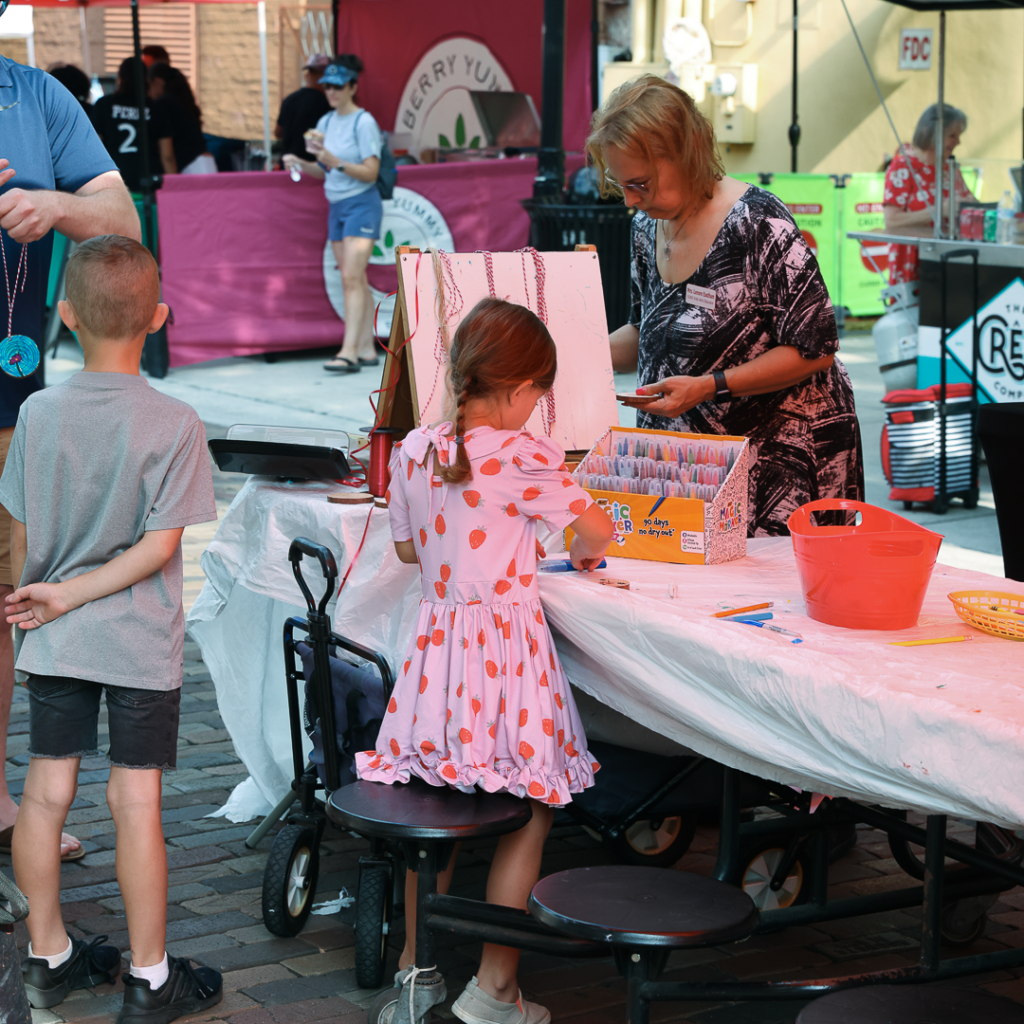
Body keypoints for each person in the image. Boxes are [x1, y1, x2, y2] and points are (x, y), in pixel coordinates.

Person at [356, 297, 613, 1024]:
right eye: (541, 393)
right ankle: (495, 989)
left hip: (435, 661)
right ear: (524, 386)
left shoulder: (414, 450)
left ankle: (416, 974)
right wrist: (583, 548)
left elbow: (409, 550)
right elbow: (593, 532)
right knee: (529, 811)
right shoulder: (524, 455)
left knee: (429, 812)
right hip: (506, 661)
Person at [0, 235, 222, 1021]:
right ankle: (151, 979)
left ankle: (49, 955)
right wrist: (76, 596)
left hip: (56, 636)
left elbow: (20, 535)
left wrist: (44, 598)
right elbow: (161, 548)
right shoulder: (175, 421)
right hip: (136, 641)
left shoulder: (37, 412)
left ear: (63, 314)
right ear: (158, 318)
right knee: (136, 805)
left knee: (44, 793)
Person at [587, 75, 863, 537]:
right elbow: (648, 332)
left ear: (685, 155)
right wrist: (571, 349)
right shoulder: (644, 228)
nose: (631, 199)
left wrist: (710, 386)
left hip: (780, 461)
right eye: (621, 184)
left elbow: (815, 348)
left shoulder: (759, 224)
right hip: (695, 464)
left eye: (641, 183)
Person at [0, 34, 140, 863]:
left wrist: (55, 208)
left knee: (8, 605)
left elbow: (118, 219)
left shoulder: (36, 98)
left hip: (10, 402)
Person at [281, 56, 383, 373]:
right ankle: (366, 347)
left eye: (338, 86)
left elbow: (371, 172)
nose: (332, 92)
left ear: (352, 87)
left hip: (362, 202)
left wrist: (334, 161)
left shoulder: (364, 122)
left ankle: (349, 351)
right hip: (337, 204)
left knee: (352, 277)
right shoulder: (325, 122)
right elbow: (323, 170)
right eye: (328, 86)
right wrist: (298, 161)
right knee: (354, 278)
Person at [883, 103, 974, 286]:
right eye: (952, 136)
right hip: (912, 262)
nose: (958, 142)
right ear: (931, 134)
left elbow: (970, 204)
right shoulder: (902, 167)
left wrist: (970, 205)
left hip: (948, 260)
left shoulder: (950, 168)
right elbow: (892, 221)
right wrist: (939, 211)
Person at [92, 57, 159, 193]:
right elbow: (167, 154)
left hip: (114, 176)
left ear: (120, 77)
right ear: (145, 79)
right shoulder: (155, 107)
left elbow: (95, 146)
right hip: (148, 178)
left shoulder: (104, 104)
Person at [148, 63, 215, 175]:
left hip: (189, 167)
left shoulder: (163, 104)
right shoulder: (182, 100)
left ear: (157, 81)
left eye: (148, 85)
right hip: (202, 162)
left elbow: (167, 152)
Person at [275, 53, 331, 167]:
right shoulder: (328, 103)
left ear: (307, 74)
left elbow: (277, 132)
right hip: (313, 168)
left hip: (288, 165)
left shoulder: (289, 99)